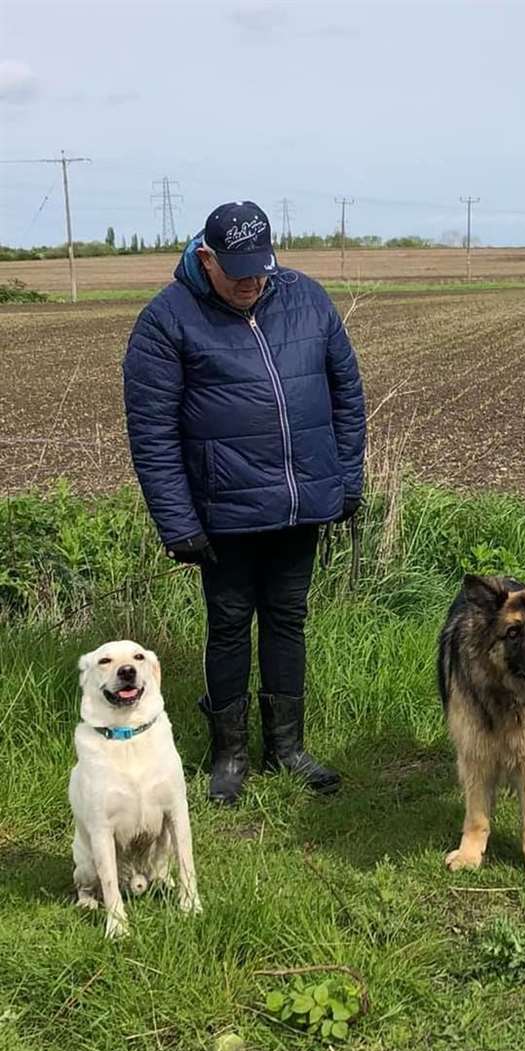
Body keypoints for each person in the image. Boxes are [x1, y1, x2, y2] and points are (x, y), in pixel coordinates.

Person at [123, 200, 365, 803]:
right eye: (237, 273)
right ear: (206, 259)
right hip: (222, 514)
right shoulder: (166, 321)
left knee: (289, 619)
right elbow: (151, 434)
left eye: (260, 269)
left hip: (299, 504)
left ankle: (288, 749)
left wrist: (346, 481)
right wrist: (178, 523)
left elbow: (347, 395)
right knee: (228, 627)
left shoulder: (307, 298)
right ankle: (228, 757)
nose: (251, 283)